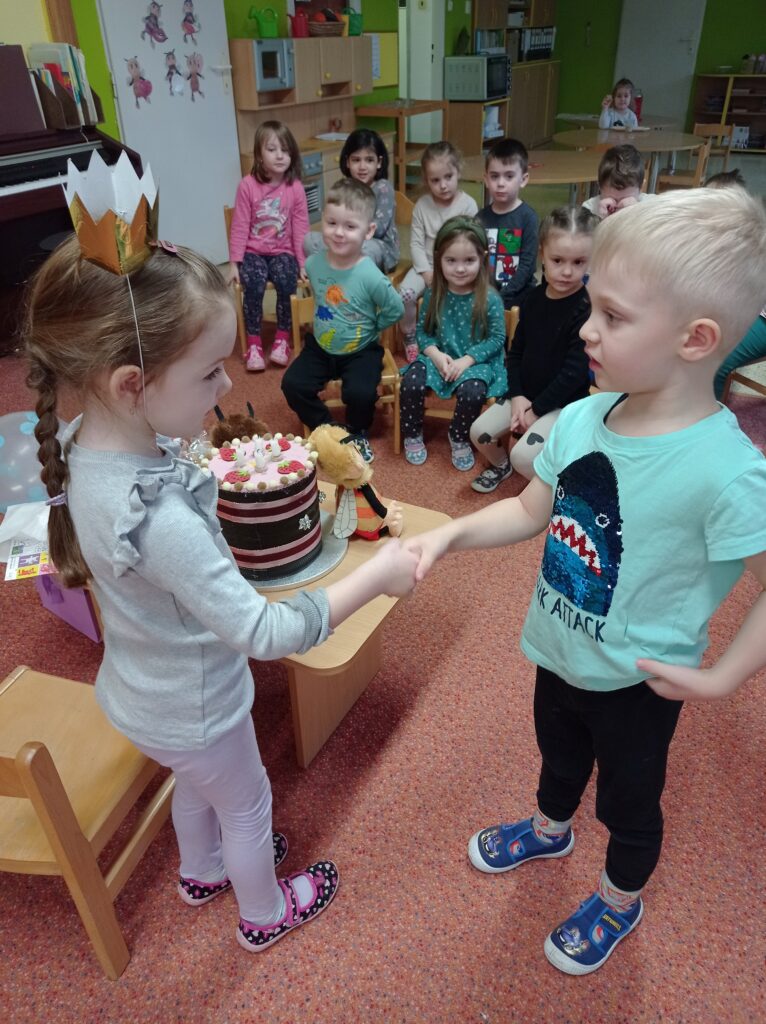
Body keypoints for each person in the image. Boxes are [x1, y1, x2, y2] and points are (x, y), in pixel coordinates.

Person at [405, 186, 766, 976]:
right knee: (558, 758)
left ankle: (619, 898)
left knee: (629, 804)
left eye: (612, 315)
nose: (586, 328)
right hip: (558, 649)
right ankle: (549, 828)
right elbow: (531, 509)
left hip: (641, 683)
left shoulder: (730, 471)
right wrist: (452, 533)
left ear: (696, 339)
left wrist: (722, 679)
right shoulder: (580, 418)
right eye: (590, 306)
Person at [24, 235, 418, 954]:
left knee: (195, 784)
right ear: (131, 385)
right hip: (199, 706)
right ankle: (264, 912)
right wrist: (375, 579)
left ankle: (202, 870)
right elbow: (263, 635)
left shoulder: (81, 446)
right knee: (247, 804)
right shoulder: (160, 521)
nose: (227, 389)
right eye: (209, 373)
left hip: (141, 694)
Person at [470, 206, 598, 493]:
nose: (567, 271)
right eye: (557, 260)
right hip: (524, 396)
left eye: (579, 262)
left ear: (591, 260)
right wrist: (517, 396)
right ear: (542, 254)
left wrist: (536, 411)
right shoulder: (532, 299)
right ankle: (500, 466)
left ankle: (555, 492)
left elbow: (573, 373)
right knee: (479, 432)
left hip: (562, 404)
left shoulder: (586, 308)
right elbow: (515, 353)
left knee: (524, 457)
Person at [281, 178, 404, 464]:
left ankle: (357, 432)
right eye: (332, 223)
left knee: (360, 393)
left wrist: (375, 326)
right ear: (322, 221)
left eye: (350, 226)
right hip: (320, 347)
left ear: (368, 231)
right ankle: (330, 429)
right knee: (292, 384)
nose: (338, 232)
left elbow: (395, 308)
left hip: (361, 350)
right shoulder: (313, 264)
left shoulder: (370, 274)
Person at [399, 217, 506, 471]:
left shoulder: (490, 298)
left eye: (469, 260)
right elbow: (423, 333)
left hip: (475, 362)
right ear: (439, 259)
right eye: (451, 261)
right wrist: (435, 355)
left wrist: (467, 360)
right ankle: (412, 433)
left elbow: (497, 339)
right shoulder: (434, 293)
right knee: (411, 381)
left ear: (482, 258)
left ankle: (459, 436)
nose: (460, 269)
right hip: (439, 357)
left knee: (473, 392)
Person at [227, 120, 309, 372]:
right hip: (253, 252)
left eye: (285, 150)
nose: (280, 155)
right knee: (253, 283)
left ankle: (282, 338)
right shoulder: (247, 185)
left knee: (286, 280)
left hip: (283, 252)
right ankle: (253, 343)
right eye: (272, 150)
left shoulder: (295, 188)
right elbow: (240, 225)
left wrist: (303, 263)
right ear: (259, 155)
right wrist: (234, 263)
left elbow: (301, 229)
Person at [398, 141, 478, 364]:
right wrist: (426, 273)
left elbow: (472, 244)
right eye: (435, 180)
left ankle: (452, 340)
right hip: (426, 266)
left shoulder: (468, 205)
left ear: (458, 172)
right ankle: (410, 336)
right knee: (405, 294)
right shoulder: (422, 206)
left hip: (457, 267)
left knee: (461, 298)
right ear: (426, 180)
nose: (443, 185)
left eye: (448, 177)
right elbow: (415, 244)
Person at [304, 128, 399, 272]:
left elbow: (378, 230)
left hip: (377, 246)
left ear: (379, 162)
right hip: (346, 240)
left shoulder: (383, 188)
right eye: (356, 160)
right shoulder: (345, 187)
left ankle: (342, 271)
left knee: (367, 250)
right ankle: (340, 266)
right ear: (347, 161)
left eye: (369, 160)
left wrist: (351, 233)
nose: (362, 167)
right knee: (309, 240)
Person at [477, 137, 539, 310]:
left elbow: (527, 265)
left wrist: (503, 296)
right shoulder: (480, 218)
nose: (501, 183)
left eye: (509, 176)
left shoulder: (528, 217)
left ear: (523, 179)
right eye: (494, 176)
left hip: (520, 292)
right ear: (486, 179)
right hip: (487, 292)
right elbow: (477, 260)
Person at [581, 144, 651, 220]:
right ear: (599, 187)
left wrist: (635, 213)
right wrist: (601, 219)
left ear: (641, 188)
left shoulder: (652, 205)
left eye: (626, 198)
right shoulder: (589, 209)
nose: (619, 205)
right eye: (611, 198)